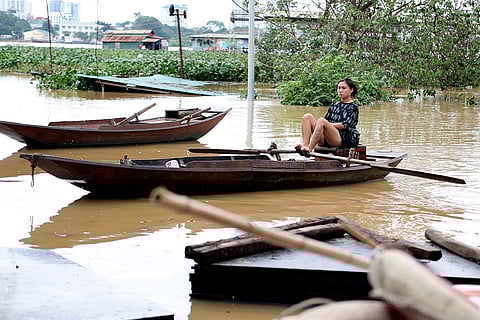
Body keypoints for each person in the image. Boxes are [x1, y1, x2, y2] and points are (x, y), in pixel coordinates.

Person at [297, 78, 360, 152]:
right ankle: (305, 144)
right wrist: (322, 125)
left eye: (344, 88)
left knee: (321, 121)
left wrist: (328, 125)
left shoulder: (353, 107)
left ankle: (310, 148)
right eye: (339, 88)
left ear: (351, 90)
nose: (340, 90)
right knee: (307, 117)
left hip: (342, 139)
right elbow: (326, 121)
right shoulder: (334, 105)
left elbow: (346, 125)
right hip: (327, 137)